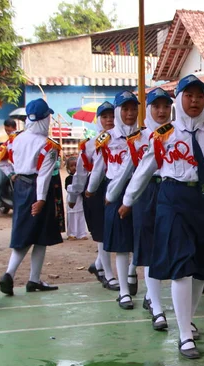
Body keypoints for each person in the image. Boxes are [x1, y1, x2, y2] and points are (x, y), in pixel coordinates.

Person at [119, 74, 204, 358]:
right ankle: (184, 335)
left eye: (199, 96)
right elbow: (144, 170)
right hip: (173, 199)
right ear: (179, 99)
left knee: (201, 267)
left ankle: (187, 319)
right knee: (181, 264)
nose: (195, 101)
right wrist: (128, 200)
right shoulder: (163, 134)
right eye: (188, 96)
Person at [108, 88, 172, 329]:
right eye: (157, 107)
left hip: (170, 191)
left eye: (166, 106)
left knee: (167, 245)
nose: (162, 111)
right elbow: (128, 170)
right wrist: (122, 199)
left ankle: (150, 297)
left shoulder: (177, 134)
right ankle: (156, 306)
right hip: (145, 194)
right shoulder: (138, 138)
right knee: (147, 248)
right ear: (149, 110)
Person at [0, 98, 63, 295]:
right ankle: (10, 274)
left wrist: (12, 174)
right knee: (34, 236)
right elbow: (43, 175)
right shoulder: (48, 145)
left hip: (21, 187)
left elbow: (0, 160)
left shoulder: (14, 139)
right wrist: (41, 199)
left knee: (33, 233)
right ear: (44, 119)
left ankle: (33, 280)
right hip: (37, 189)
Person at [87, 91, 139, 310]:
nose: (129, 113)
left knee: (139, 238)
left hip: (140, 191)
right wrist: (91, 189)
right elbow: (99, 167)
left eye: (133, 108)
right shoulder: (106, 139)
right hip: (114, 193)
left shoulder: (144, 136)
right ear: (118, 111)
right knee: (120, 244)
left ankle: (133, 272)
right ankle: (124, 292)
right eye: (125, 109)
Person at [67, 102, 118, 290]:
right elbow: (81, 172)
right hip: (96, 191)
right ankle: (107, 273)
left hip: (118, 187)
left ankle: (97, 266)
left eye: (112, 116)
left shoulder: (125, 139)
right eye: (105, 117)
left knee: (115, 231)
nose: (109, 120)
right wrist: (73, 195)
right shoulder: (90, 145)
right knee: (103, 234)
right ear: (98, 120)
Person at [0, 118, 18, 218]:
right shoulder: (4, 139)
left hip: (17, 167)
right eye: (6, 130)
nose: (8, 132)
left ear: (15, 128)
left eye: (9, 130)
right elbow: (1, 157)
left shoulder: (19, 137)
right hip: (5, 167)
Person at [65, 156, 88, 240]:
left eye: (76, 165)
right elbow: (68, 188)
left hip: (80, 199)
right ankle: (71, 233)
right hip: (72, 198)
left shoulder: (82, 178)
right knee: (72, 216)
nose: (74, 168)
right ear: (68, 168)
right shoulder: (68, 178)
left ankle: (81, 233)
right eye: (71, 166)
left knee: (81, 216)